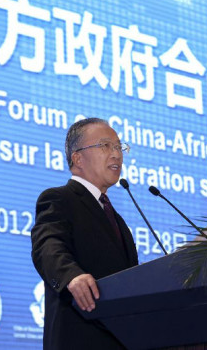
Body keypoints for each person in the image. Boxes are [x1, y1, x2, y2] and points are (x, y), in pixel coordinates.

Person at [31, 118, 138, 350]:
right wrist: (70, 276)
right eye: (105, 146)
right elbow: (48, 245)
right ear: (77, 158)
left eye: (119, 147)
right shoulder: (59, 198)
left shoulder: (118, 221)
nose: (117, 155)